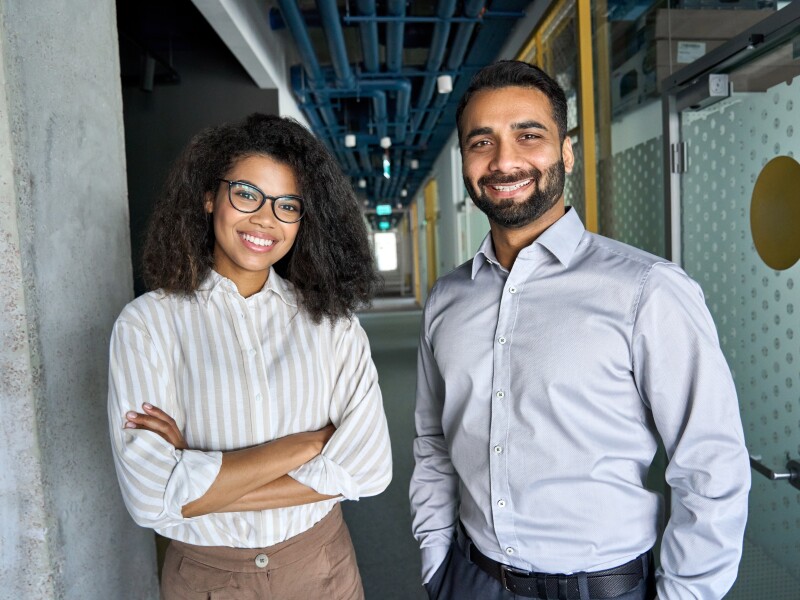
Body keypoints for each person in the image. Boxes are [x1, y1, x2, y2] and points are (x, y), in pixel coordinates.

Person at [409, 60, 750, 600]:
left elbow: (710, 464)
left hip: (602, 588)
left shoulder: (648, 290)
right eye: (482, 142)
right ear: (465, 161)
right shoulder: (448, 299)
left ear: (566, 151)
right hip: (470, 578)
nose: (505, 160)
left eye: (529, 135)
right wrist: (436, 561)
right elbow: (433, 442)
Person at [108, 113, 392, 600]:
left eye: (287, 205)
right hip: (207, 579)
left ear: (304, 219)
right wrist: (312, 444)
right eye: (246, 194)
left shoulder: (332, 323)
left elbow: (370, 469)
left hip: (322, 566)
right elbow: (148, 498)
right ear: (208, 196)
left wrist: (194, 479)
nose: (265, 218)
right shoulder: (147, 325)